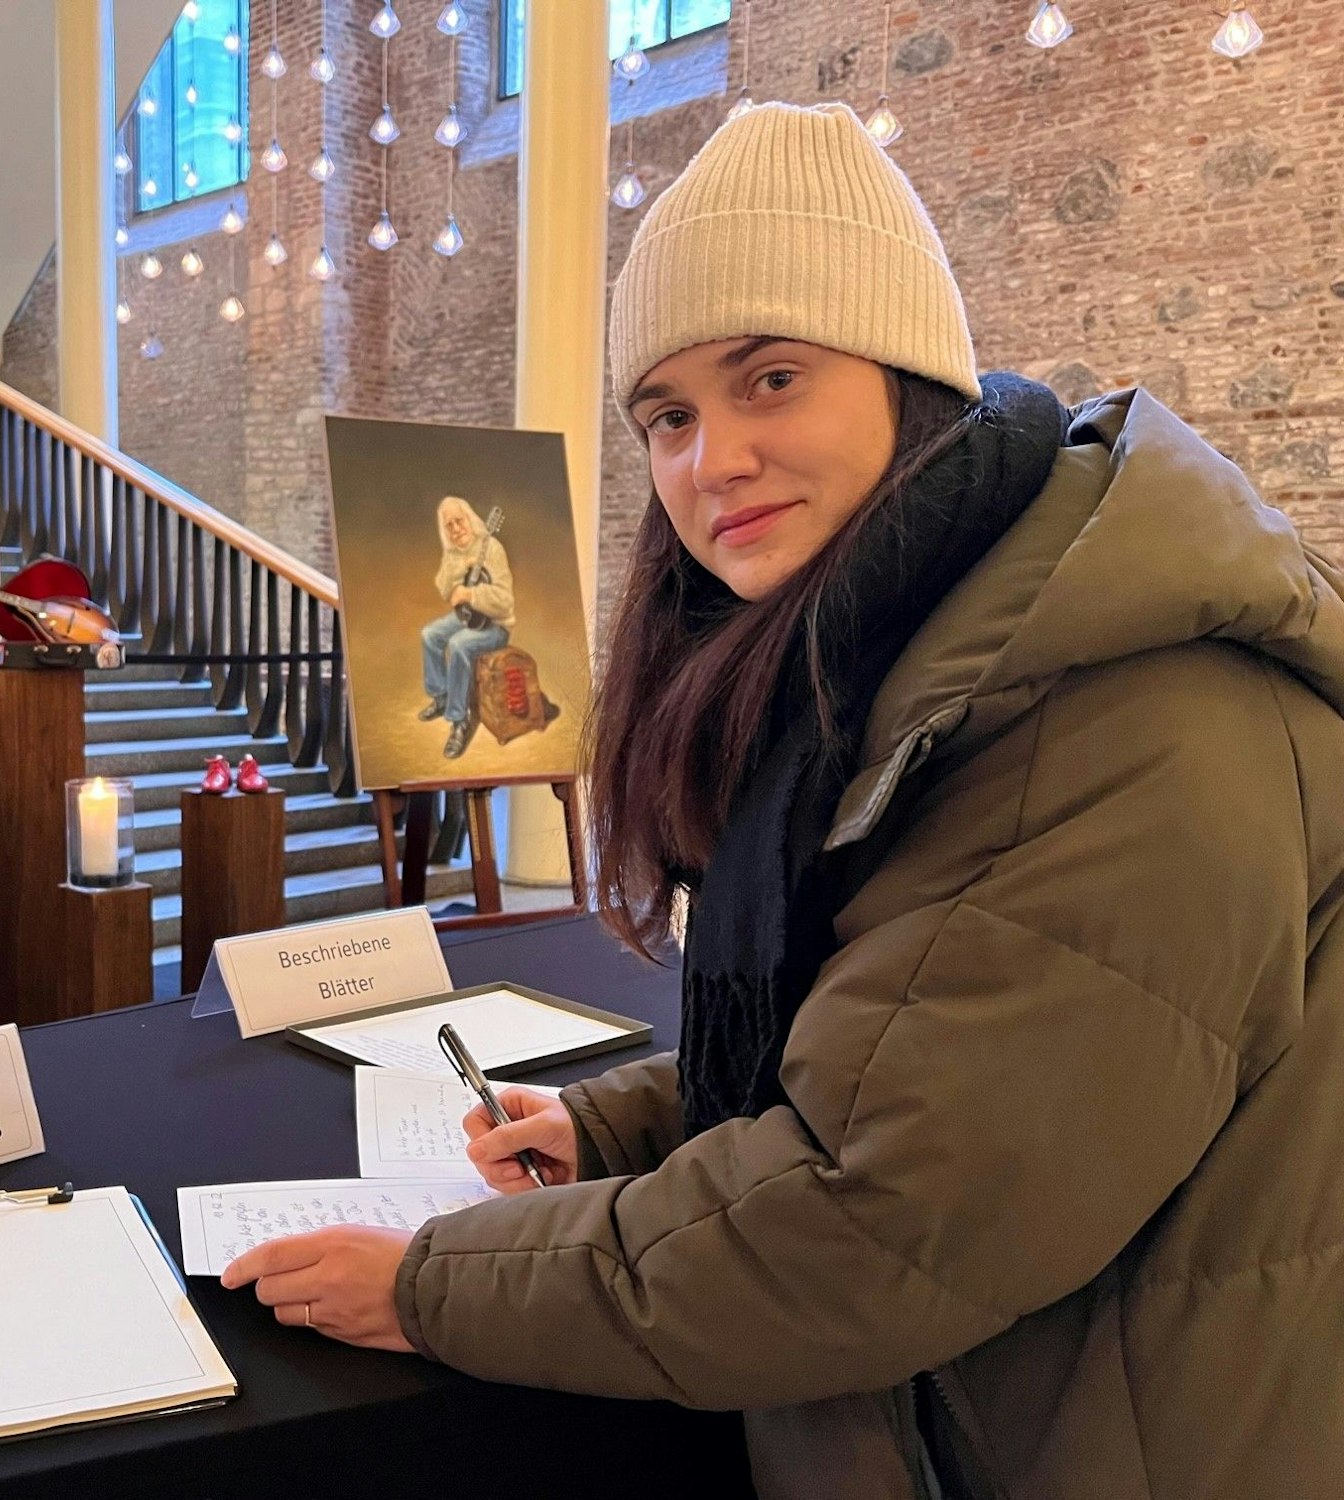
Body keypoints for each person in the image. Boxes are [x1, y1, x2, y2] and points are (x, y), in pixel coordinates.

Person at [221, 101, 1344, 1497]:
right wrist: (627, 1123)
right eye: (669, 416)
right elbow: (893, 1044)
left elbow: (869, 1225)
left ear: (908, 378)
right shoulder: (890, 654)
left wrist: (434, 1283)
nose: (713, 462)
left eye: (771, 380)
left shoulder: (1129, 716)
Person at [418, 495, 514, 758]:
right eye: (449, 525)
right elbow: (444, 587)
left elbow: (505, 601)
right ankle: (441, 696)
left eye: (459, 521)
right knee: (430, 635)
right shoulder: (454, 552)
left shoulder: (491, 548)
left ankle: (459, 720)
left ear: (470, 519)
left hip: (495, 625)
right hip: (466, 617)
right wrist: (459, 572)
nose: (456, 529)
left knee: (459, 645)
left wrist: (473, 595)